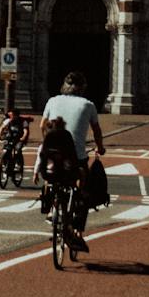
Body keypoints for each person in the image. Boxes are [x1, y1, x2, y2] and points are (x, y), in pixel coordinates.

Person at [40, 70, 104, 255]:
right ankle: (78, 231)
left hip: (52, 156)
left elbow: (41, 125)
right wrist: (100, 148)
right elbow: (97, 131)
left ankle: (51, 207)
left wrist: (49, 142)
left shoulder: (52, 100)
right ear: (82, 88)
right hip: (76, 158)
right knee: (84, 191)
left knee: (50, 177)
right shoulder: (88, 105)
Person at [32, 113, 83, 248]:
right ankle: (71, 216)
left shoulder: (47, 139)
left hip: (49, 173)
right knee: (75, 190)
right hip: (65, 174)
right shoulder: (66, 136)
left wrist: (36, 173)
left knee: (49, 184)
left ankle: (49, 209)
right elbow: (73, 155)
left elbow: (40, 156)